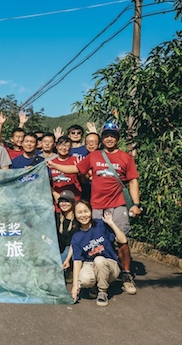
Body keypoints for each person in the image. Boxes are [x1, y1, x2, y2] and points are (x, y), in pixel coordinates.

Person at [47, 122, 140, 295]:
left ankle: (126, 275)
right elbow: (75, 169)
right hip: (96, 207)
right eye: (106, 136)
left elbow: (133, 180)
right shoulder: (95, 156)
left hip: (117, 204)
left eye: (113, 135)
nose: (109, 138)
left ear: (117, 138)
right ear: (102, 138)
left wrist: (136, 203)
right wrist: (54, 165)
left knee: (122, 241)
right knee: (96, 242)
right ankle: (100, 275)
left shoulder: (126, 157)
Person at [70, 200, 127, 307]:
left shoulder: (100, 224)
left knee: (99, 260)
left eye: (86, 211)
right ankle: (95, 285)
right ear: (75, 214)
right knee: (84, 280)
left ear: (91, 212)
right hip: (90, 264)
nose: (83, 215)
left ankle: (102, 291)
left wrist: (111, 223)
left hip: (109, 263)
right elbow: (77, 261)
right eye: (79, 212)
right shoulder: (76, 237)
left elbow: (123, 240)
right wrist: (75, 285)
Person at [49, 136, 81, 208]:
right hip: (58, 199)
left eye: (67, 146)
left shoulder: (75, 160)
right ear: (56, 146)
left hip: (74, 198)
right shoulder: (51, 163)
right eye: (61, 145)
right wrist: (54, 193)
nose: (64, 148)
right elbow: (46, 182)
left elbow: (84, 178)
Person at [55, 190, 78, 266]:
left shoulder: (77, 219)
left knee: (67, 251)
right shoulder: (57, 217)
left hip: (73, 249)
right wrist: (24, 221)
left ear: (72, 203)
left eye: (67, 201)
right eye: (61, 201)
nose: (64, 204)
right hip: (59, 249)